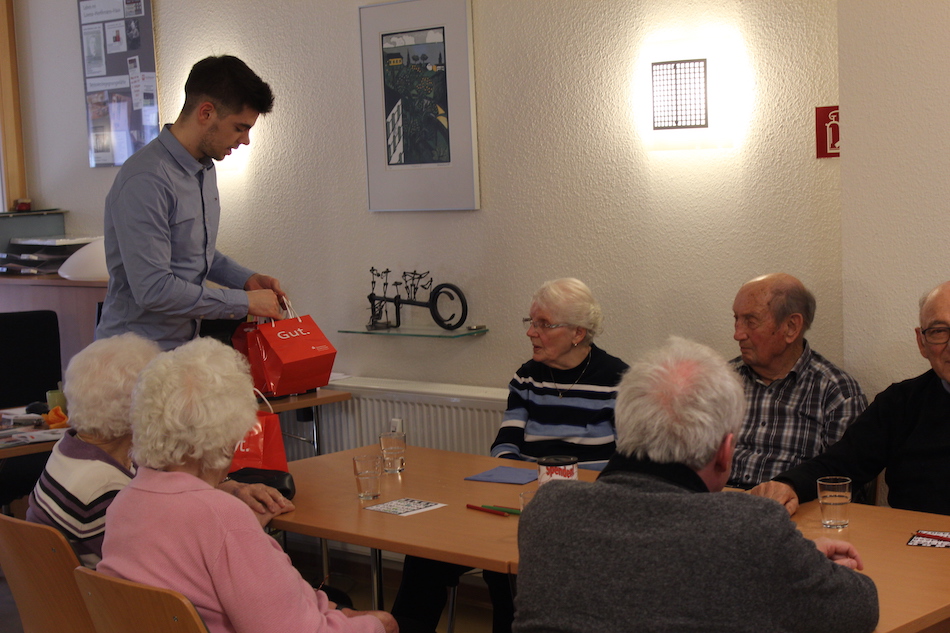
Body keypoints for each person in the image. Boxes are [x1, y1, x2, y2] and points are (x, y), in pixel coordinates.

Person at [514, 336, 879, 633]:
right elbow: (858, 609)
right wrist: (797, 560)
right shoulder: (750, 527)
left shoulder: (546, 510)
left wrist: (789, 558)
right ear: (725, 452)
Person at [97, 338, 397, 633]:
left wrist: (330, 610)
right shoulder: (221, 517)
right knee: (386, 622)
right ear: (226, 436)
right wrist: (373, 626)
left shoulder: (125, 503)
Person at [392, 278, 629, 633]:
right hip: (518, 503)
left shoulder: (619, 381)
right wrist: (524, 483)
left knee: (509, 567)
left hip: (583, 510)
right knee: (425, 553)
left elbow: (628, 462)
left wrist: (563, 485)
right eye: (530, 322)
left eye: (543, 324)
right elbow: (505, 445)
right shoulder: (526, 377)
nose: (531, 332)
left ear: (578, 333)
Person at [26, 333, 293, 569]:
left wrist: (226, 487)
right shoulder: (101, 490)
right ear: (138, 406)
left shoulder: (70, 453)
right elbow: (179, 564)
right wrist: (243, 531)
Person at [96, 55, 285, 351]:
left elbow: (193, 251)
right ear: (206, 113)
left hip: (181, 350)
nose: (245, 140)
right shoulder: (146, 179)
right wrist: (243, 302)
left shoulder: (205, 168)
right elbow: (154, 290)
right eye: (239, 127)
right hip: (130, 357)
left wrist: (246, 280)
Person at [752, 280, 950, 516]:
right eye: (939, 331)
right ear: (922, 342)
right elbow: (842, 463)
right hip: (911, 544)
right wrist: (788, 485)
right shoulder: (900, 403)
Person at [729, 273, 866, 488]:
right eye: (736, 319)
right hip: (720, 505)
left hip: (793, 512)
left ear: (791, 327)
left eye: (751, 321)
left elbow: (843, 481)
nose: (738, 334)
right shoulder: (721, 380)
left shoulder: (836, 392)